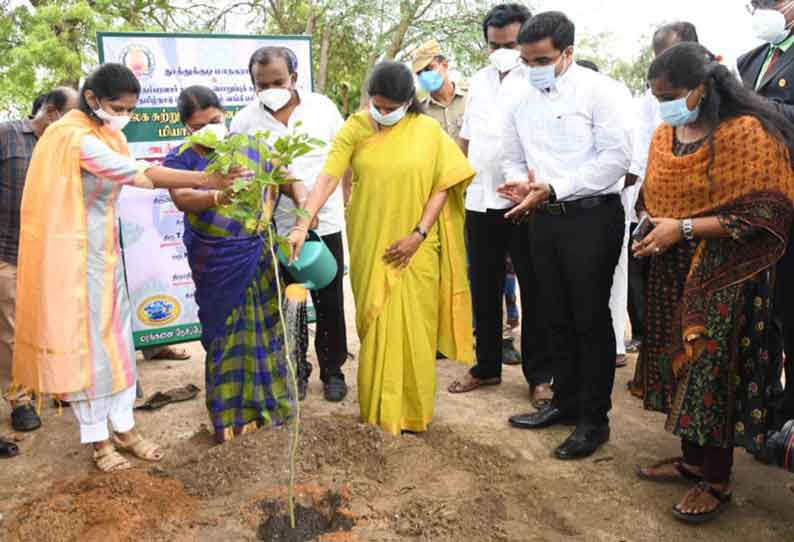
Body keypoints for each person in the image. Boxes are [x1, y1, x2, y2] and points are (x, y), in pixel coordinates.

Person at [11, 64, 241, 471]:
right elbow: (137, 174)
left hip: (105, 255)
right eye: (119, 106)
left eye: (132, 108)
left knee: (118, 345)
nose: (125, 115)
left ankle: (125, 428)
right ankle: (99, 442)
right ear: (94, 99)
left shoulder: (107, 133)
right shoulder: (72, 137)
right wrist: (209, 179)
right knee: (91, 352)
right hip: (73, 263)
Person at [633, 42, 794, 523]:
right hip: (673, 266)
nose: (663, 103)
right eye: (656, 95)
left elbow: (767, 212)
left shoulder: (747, 135)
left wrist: (681, 228)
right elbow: (655, 194)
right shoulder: (667, 135)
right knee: (682, 363)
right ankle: (692, 460)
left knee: (713, 370)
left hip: (730, 271)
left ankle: (717, 480)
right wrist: (650, 226)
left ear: (702, 88)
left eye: (670, 94)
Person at [287, 61, 475, 435]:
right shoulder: (354, 128)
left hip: (417, 246)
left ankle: (413, 412)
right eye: (378, 105)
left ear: (409, 102)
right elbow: (327, 178)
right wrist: (302, 222)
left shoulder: (428, 132)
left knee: (415, 331)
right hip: (370, 240)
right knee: (375, 325)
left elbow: (444, 184)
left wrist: (417, 235)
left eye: (391, 107)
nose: (383, 113)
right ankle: (379, 416)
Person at [497, 12, 632, 459]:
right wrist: (519, 183)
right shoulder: (520, 97)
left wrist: (556, 186)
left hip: (591, 218)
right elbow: (512, 155)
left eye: (542, 60)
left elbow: (616, 160)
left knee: (589, 319)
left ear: (567, 53)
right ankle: (566, 402)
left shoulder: (601, 92)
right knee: (553, 312)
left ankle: (595, 419)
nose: (532, 68)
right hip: (542, 218)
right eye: (526, 60)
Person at [166, 85, 301, 443]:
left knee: (267, 329)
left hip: (256, 253)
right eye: (199, 126)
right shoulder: (180, 157)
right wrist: (216, 194)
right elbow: (181, 198)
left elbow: (285, 177)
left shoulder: (250, 146)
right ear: (186, 128)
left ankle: (271, 409)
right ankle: (230, 419)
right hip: (216, 261)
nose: (209, 128)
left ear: (223, 115)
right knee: (225, 335)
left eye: (214, 120)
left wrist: (303, 216)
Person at [447, 3, 554, 408]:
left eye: (511, 43)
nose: (504, 50)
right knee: (484, 285)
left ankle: (539, 375)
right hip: (480, 198)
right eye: (496, 44)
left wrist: (536, 185)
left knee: (534, 285)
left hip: (527, 199)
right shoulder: (479, 80)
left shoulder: (540, 80)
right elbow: (467, 140)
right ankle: (486, 365)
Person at [230, 46, 349, 403]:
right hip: (277, 231)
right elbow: (242, 178)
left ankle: (332, 370)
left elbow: (344, 158)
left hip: (324, 223)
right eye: (261, 84)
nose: (269, 88)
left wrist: (345, 198)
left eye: (277, 81)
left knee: (330, 300)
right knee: (288, 303)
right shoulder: (244, 121)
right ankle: (295, 369)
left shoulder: (322, 108)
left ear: (294, 78)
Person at [0, 88, 78, 453]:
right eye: (73, 117)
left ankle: (53, 385)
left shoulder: (68, 149)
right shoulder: (8, 136)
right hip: (8, 252)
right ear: (51, 112)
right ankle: (20, 400)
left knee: (51, 325)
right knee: (13, 331)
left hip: (51, 255)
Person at [625, 22, 700, 388]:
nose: (664, 106)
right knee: (664, 324)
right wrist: (644, 213)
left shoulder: (737, 130)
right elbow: (647, 171)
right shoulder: (660, 125)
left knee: (703, 341)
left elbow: (750, 210)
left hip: (709, 256)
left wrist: (685, 226)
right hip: (662, 239)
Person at [738, 0, 794, 429]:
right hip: (762, 204)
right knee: (770, 311)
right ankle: (774, 410)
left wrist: (755, 113)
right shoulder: (750, 60)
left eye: (771, 1)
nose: (763, 10)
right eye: (755, 3)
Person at [412, 40, 468, 145]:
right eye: (419, 73)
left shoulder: (470, 98)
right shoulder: (420, 112)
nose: (424, 76)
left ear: (445, 65)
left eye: (429, 68)